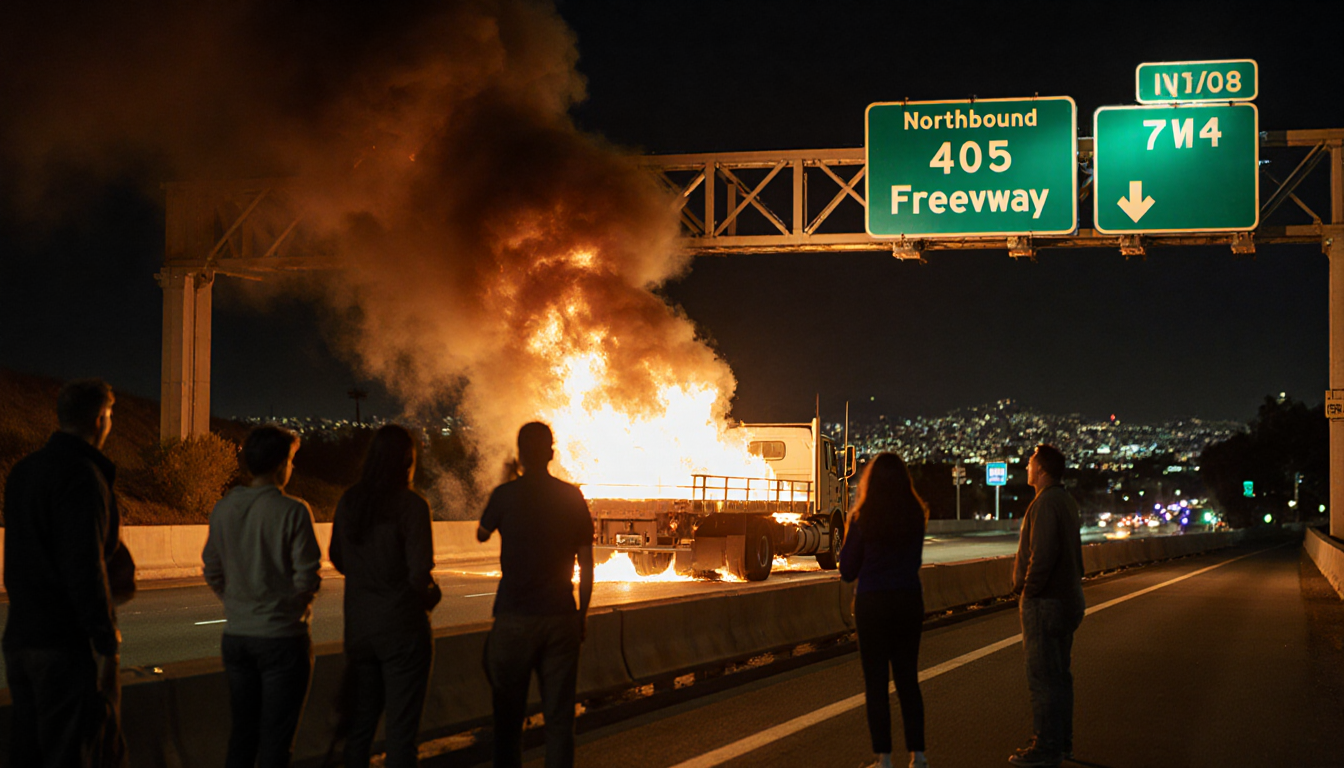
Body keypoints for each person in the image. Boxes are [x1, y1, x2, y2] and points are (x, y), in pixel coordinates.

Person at [3, 378, 135, 767]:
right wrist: (106, 639)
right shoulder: (84, 477)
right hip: (64, 645)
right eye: (110, 416)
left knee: (28, 752)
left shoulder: (23, 472)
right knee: (73, 753)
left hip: (20, 639)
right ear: (99, 420)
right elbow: (85, 567)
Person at [203, 425, 322, 768]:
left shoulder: (223, 509)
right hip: (282, 639)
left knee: (242, 734)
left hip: (237, 637)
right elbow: (307, 576)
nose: (293, 468)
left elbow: (211, 568)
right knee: (276, 741)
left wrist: (236, 603)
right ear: (279, 464)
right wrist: (291, 608)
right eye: (292, 460)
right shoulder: (293, 510)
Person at [477, 422, 594, 768]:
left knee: (508, 721)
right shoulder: (571, 496)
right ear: (552, 454)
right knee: (559, 721)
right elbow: (587, 564)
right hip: (560, 616)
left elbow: (482, 533)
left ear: (519, 455)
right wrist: (581, 615)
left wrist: (506, 482)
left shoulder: (505, 495)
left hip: (513, 617)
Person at [330, 425, 442, 767]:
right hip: (402, 633)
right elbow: (418, 574)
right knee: (401, 734)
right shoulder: (411, 506)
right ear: (408, 461)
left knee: (360, 730)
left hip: (360, 630)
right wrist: (431, 596)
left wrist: (369, 574)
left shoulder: (350, 501)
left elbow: (337, 557)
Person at [840, 452, 930, 768]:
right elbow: (916, 561)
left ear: (870, 482)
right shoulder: (916, 515)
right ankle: (918, 756)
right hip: (907, 600)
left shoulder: (862, 518)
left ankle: (884, 759)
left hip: (872, 604)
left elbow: (847, 570)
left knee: (876, 683)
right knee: (908, 679)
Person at [1009, 444, 1085, 768]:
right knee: (1059, 676)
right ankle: (1061, 742)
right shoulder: (1066, 501)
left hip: (1046, 603)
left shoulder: (1044, 504)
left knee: (1042, 677)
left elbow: (1042, 557)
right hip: (1068, 598)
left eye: (1029, 464)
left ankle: (1046, 747)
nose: (1026, 468)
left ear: (1041, 470)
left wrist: (1027, 591)